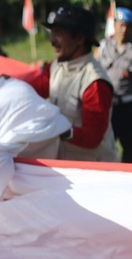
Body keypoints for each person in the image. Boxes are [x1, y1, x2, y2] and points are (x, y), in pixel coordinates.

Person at [31, 5, 117, 162]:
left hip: (93, 173)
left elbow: (93, 138)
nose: (52, 41)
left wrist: (58, 129)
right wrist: (6, 85)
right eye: (53, 33)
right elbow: (32, 90)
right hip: (68, 165)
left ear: (79, 39)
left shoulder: (95, 83)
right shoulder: (57, 66)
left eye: (58, 34)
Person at [97, 7, 132, 163]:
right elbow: (94, 66)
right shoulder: (104, 46)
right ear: (115, 24)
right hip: (107, 105)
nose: (123, 29)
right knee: (105, 146)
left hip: (127, 105)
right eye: (121, 24)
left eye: (127, 26)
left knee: (129, 147)